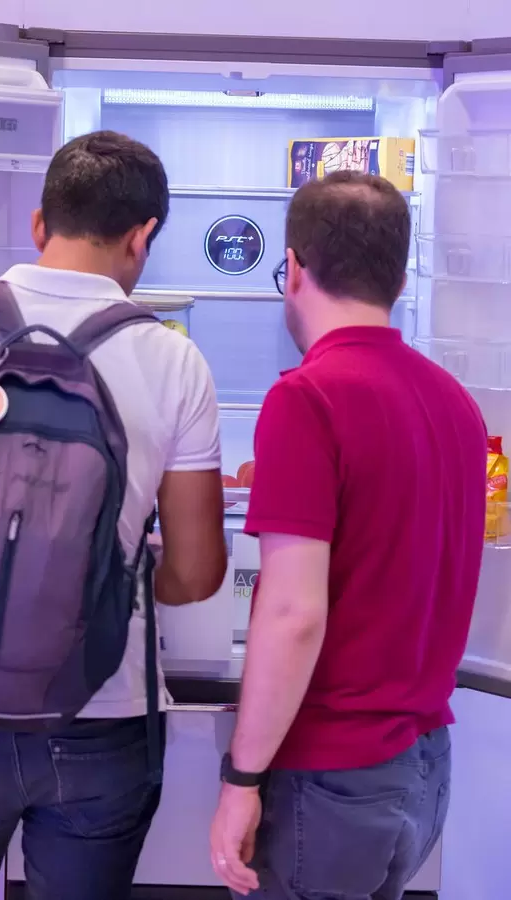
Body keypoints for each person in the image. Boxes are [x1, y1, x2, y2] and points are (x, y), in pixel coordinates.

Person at [0, 130, 227, 900]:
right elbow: (195, 572)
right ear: (143, 234)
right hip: (100, 712)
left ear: (38, 222)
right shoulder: (173, 360)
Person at [210, 171, 486, 900]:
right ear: (399, 275)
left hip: (333, 776)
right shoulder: (453, 400)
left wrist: (241, 777)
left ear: (294, 268)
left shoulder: (307, 397)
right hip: (424, 767)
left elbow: (294, 614)